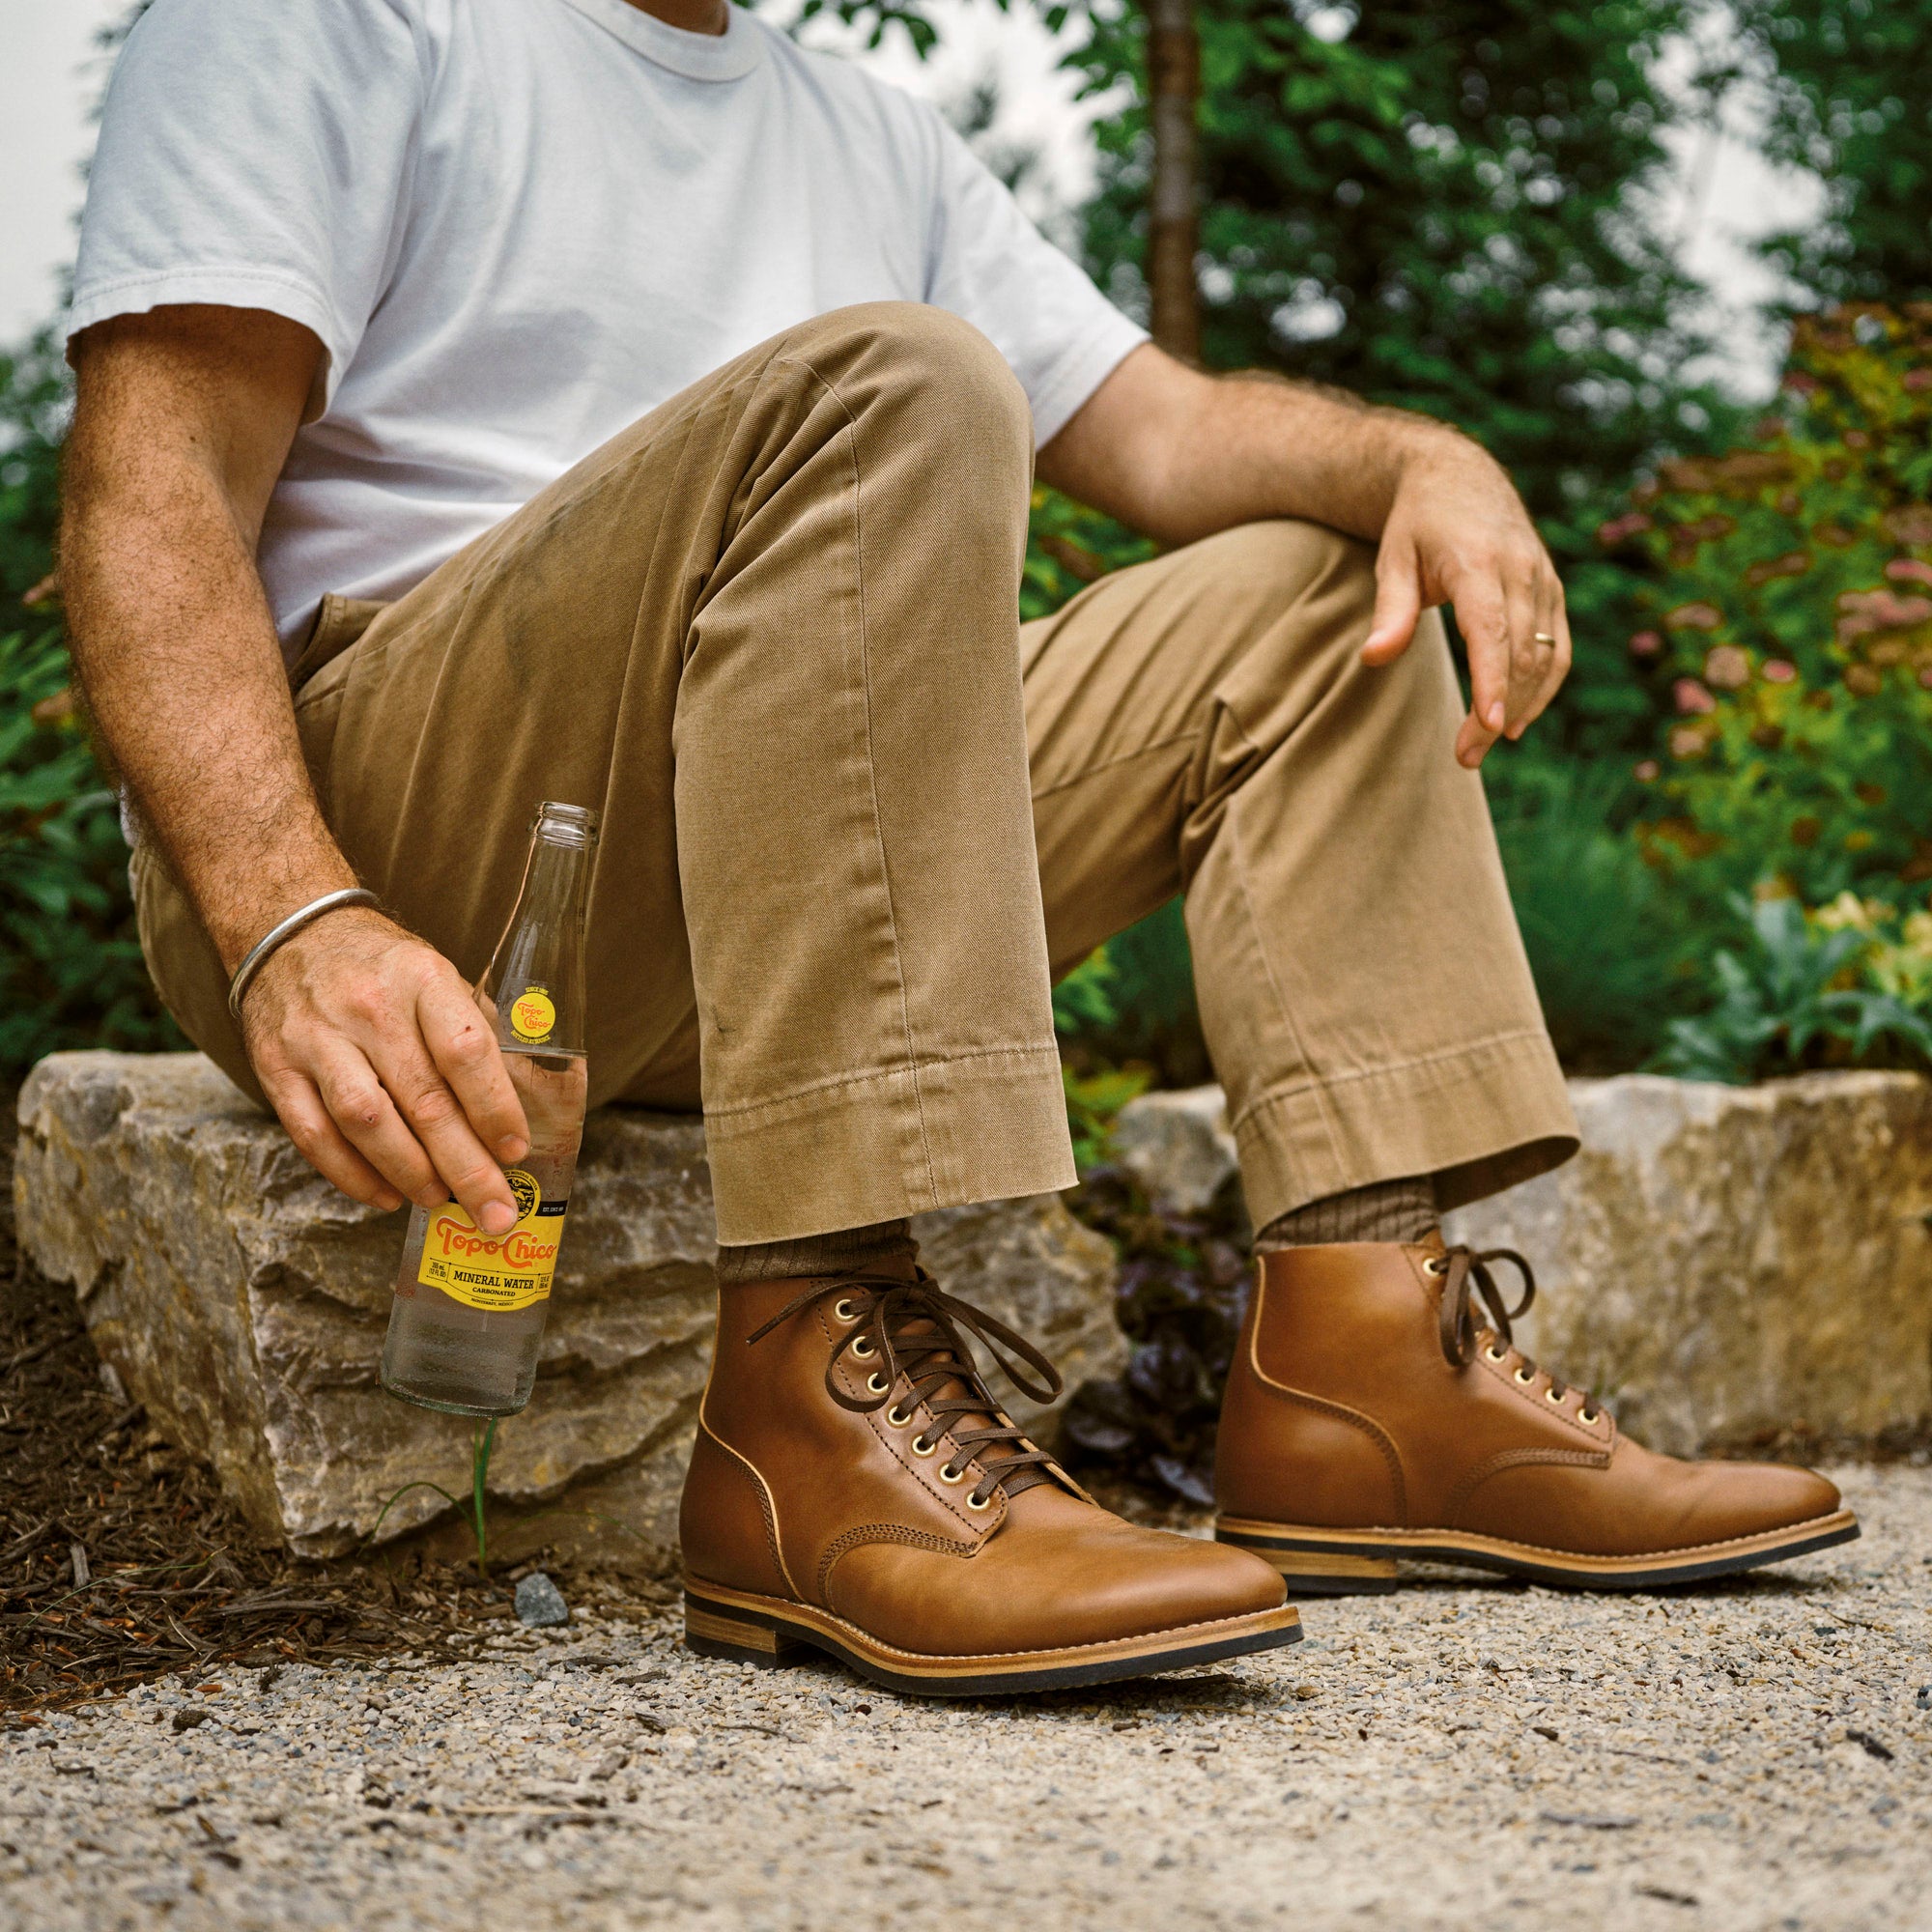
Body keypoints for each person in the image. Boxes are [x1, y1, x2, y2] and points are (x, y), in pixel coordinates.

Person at [59, 0, 1855, 1695]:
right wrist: (291, 909)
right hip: (412, 835)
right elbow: (157, 482)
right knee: (899, 385)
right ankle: (810, 1403)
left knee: (1318, 593)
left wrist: (1422, 465)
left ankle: (1370, 1367)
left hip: (755, 878)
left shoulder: (870, 138)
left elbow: (1171, 431)